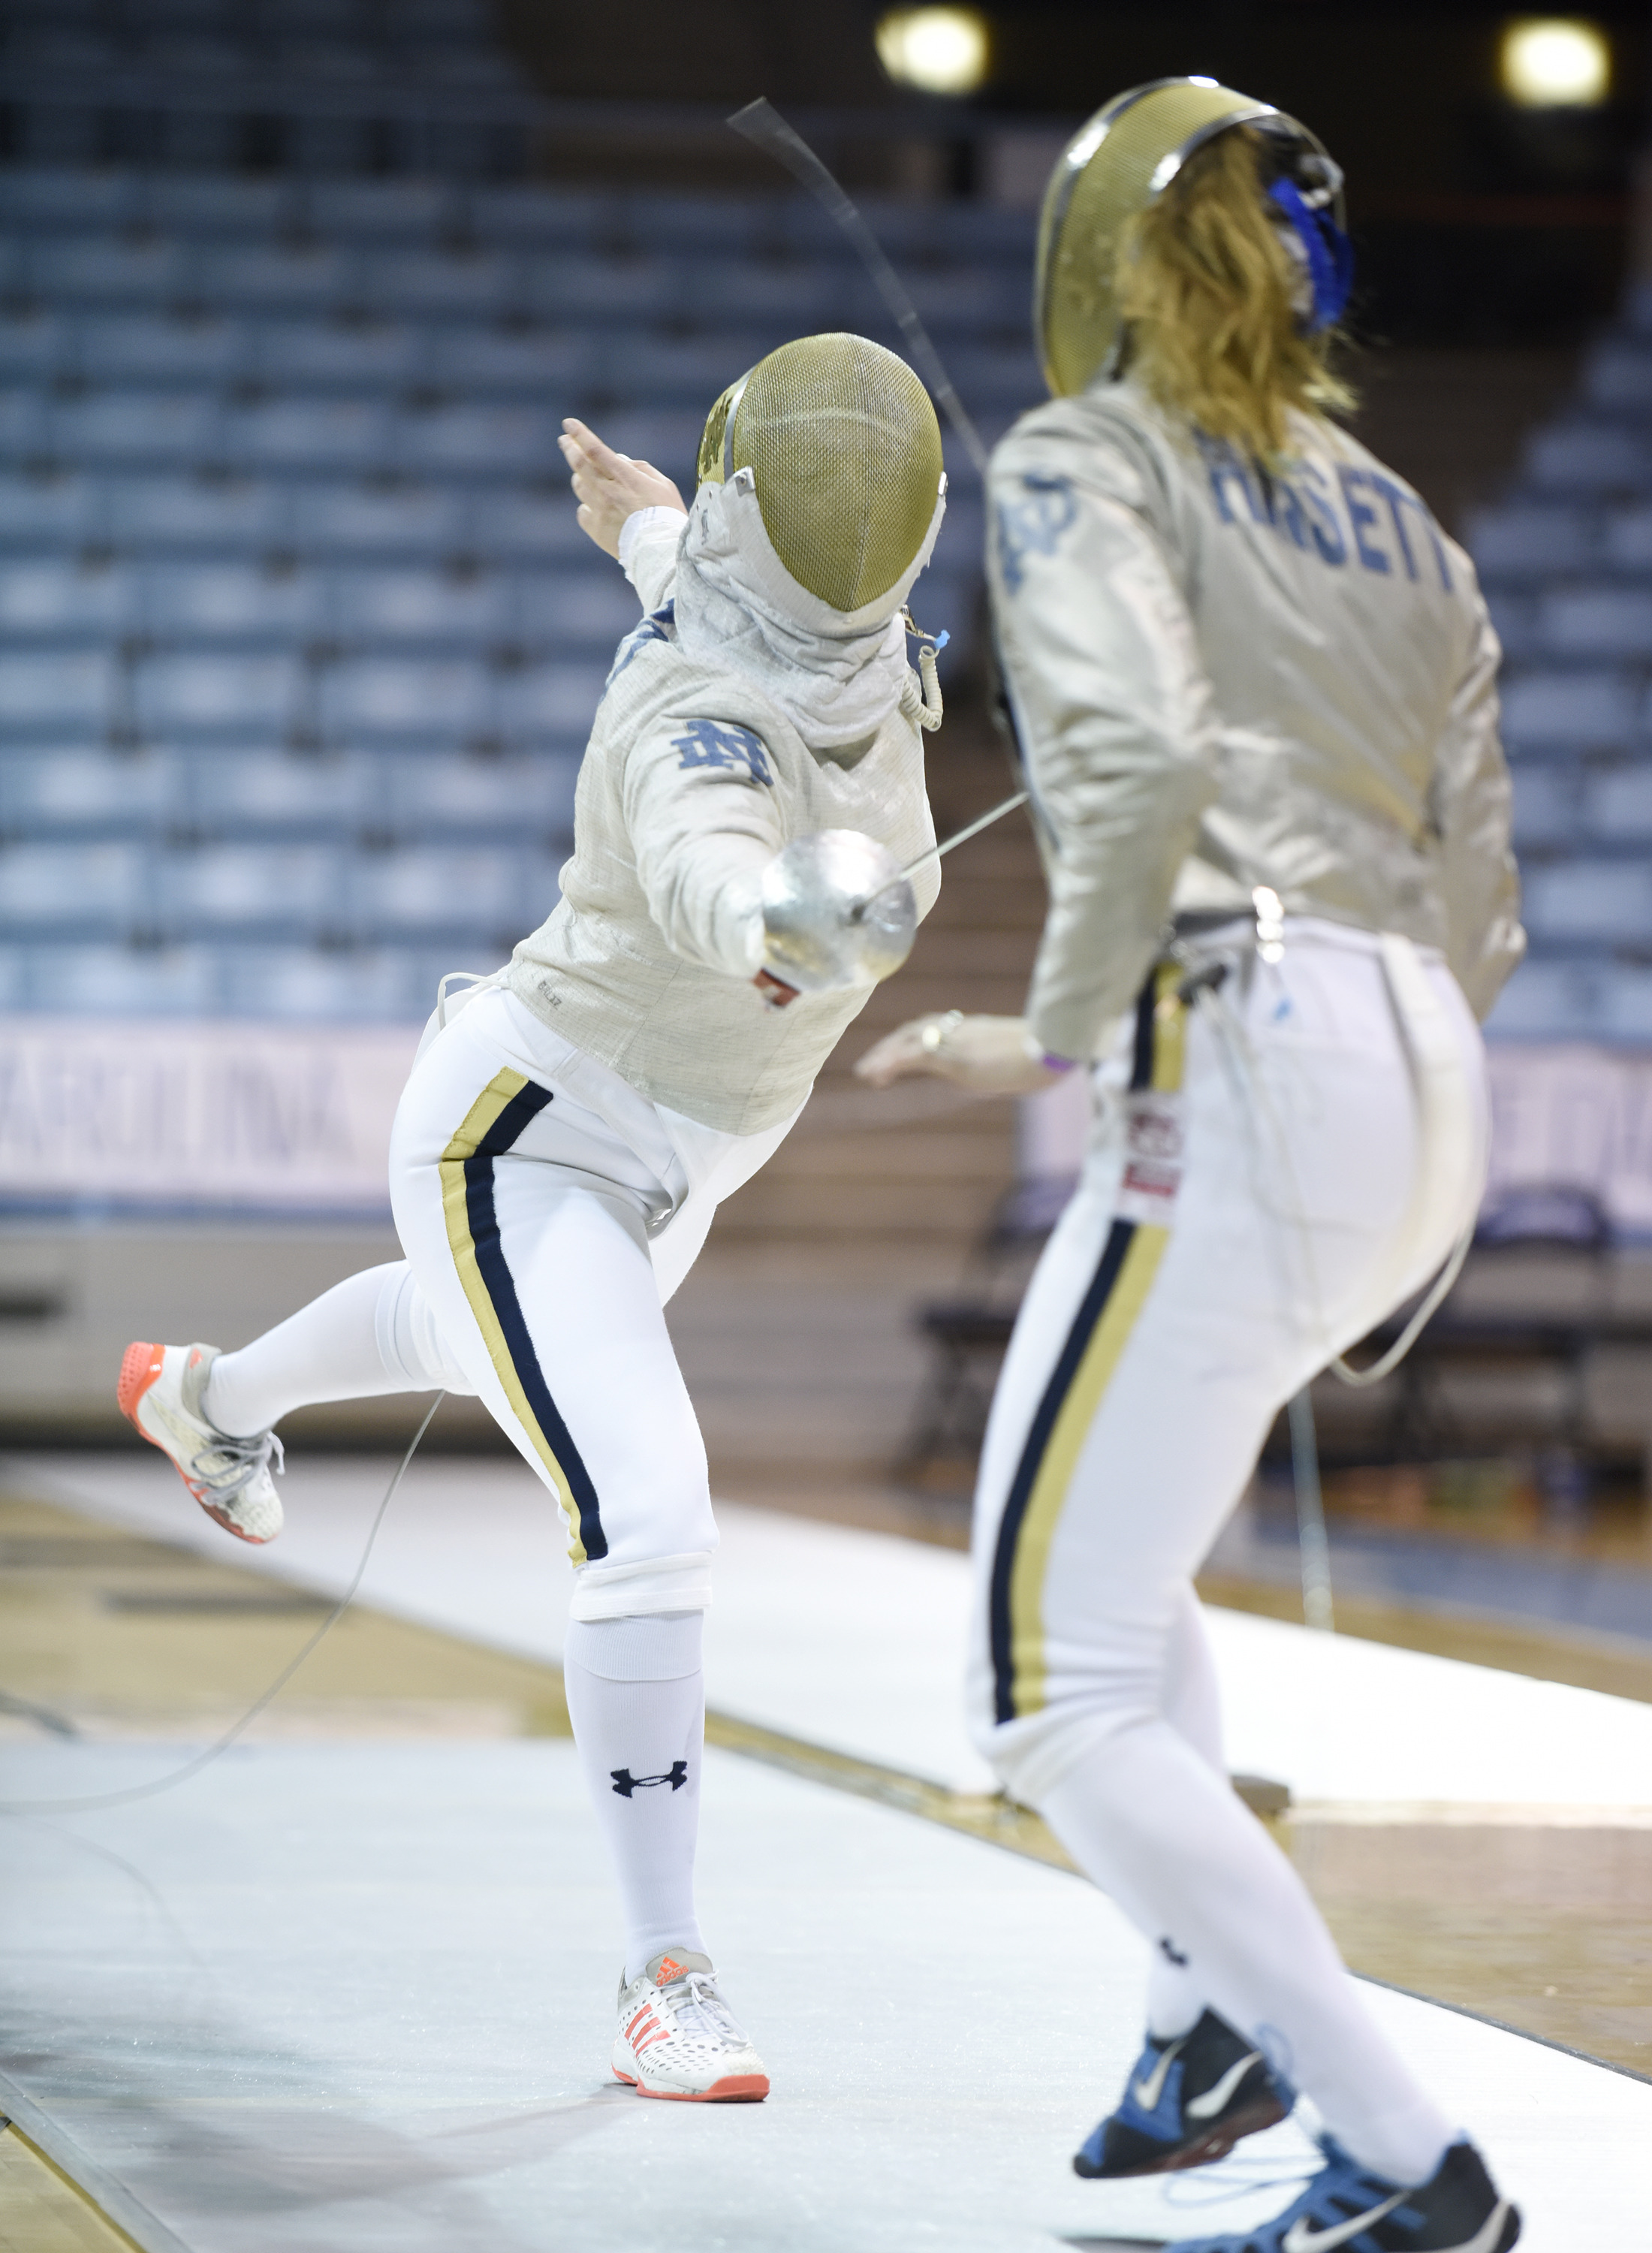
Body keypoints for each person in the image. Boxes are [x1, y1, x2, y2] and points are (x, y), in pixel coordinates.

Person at [119, 332, 948, 2106]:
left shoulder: (843, 650)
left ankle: (204, 1400)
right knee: (645, 1515)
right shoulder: (696, 715)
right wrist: (761, 920)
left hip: (664, 1161)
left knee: (454, 1327)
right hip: (529, 1135)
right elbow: (702, 823)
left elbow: (698, 592)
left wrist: (644, 526)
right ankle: (668, 1976)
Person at [857, 81, 1524, 2253]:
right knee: (1123, 1590)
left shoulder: (1076, 460)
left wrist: (1053, 1031)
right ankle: (1199, 2019)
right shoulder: (1412, 522)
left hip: (1248, 1053)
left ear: (1103, 263)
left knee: (1036, 1686)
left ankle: (1410, 2158)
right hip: (1424, 1077)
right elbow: (1480, 894)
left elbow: (1135, 764)